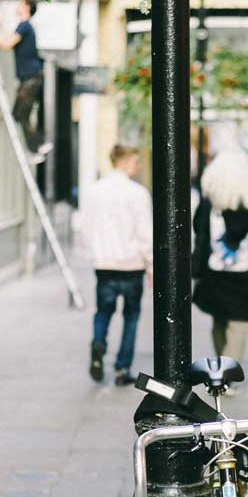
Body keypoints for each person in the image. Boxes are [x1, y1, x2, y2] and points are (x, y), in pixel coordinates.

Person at [192, 147, 248, 365]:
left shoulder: (208, 206)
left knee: (219, 321)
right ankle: (227, 373)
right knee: (239, 326)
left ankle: (222, 368)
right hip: (246, 275)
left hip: (214, 275)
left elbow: (199, 236)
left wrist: (196, 269)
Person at [82, 143, 153, 386]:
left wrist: (94, 253)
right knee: (131, 316)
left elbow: (86, 228)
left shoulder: (94, 192)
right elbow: (145, 233)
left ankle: (99, 343)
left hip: (104, 264)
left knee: (103, 311)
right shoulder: (138, 193)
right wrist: (151, 264)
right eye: (136, 161)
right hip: (131, 265)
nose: (139, 165)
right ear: (122, 162)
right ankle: (122, 369)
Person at [0, 0, 52, 162]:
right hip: (29, 78)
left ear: (26, 7)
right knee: (18, 114)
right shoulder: (24, 27)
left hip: (31, 78)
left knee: (20, 113)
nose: (17, 6)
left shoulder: (24, 26)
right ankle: (38, 146)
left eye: (20, 3)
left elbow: (6, 44)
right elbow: (8, 38)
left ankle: (38, 146)